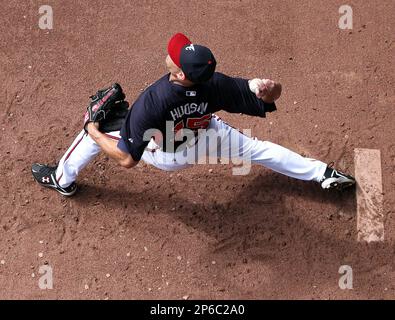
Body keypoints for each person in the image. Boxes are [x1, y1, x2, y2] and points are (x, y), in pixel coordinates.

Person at [31, 33, 355, 197]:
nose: (169, 55)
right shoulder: (216, 84)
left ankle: (62, 180)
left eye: (174, 57)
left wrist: (93, 130)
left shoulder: (152, 102)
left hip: (170, 155)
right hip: (208, 134)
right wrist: (269, 88)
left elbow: (127, 159)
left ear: (181, 75)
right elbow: (269, 97)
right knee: (259, 150)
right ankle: (322, 174)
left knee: (97, 128)